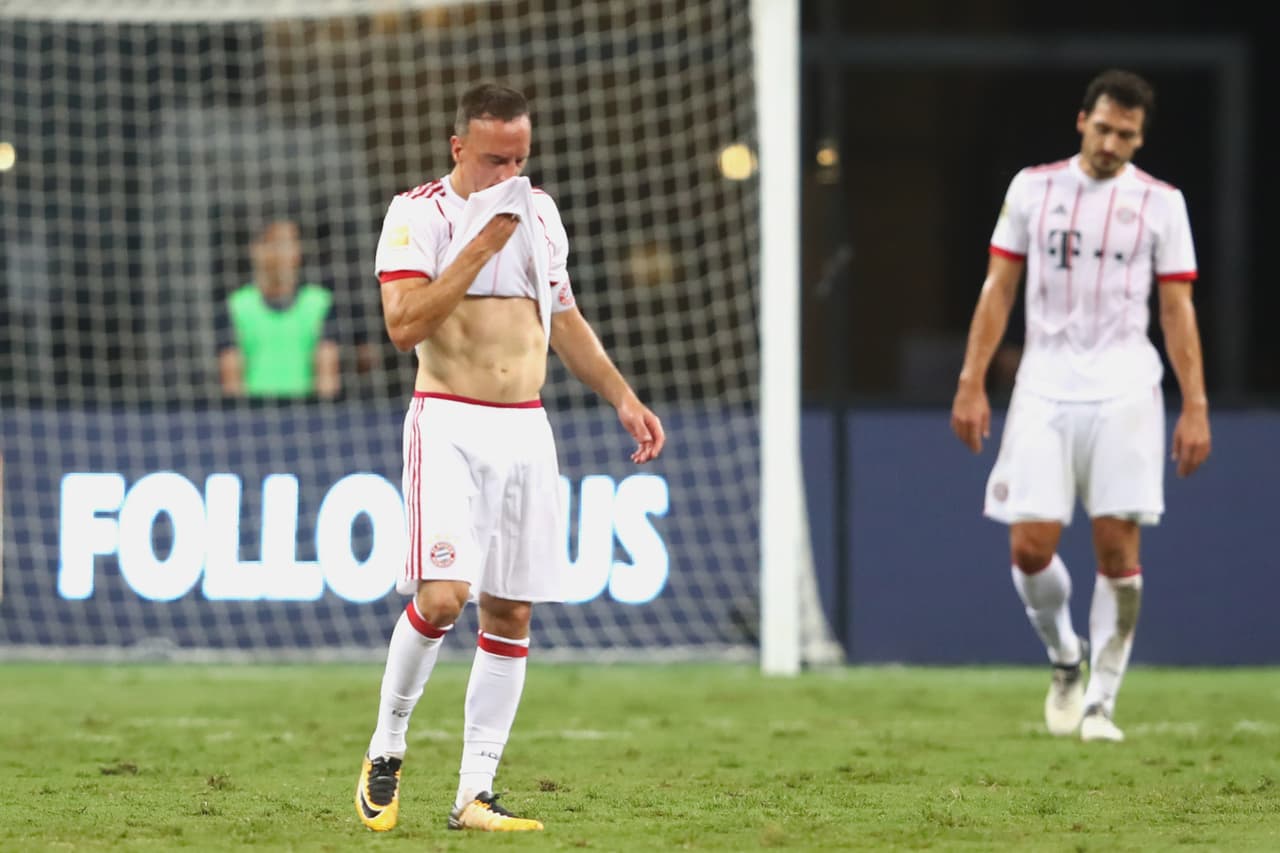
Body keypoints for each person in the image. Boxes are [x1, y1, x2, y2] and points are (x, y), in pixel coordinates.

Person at [356, 82, 665, 833]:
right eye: (494, 159)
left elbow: (561, 318)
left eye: (519, 158)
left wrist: (623, 395)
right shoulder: (418, 214)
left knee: (512, 609)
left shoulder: (542, 213)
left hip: (526, 426)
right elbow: (403, 324)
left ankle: (474, 794)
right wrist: (477, 246)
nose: (509, 173)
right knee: (442, 598)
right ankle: (386, 748)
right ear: (459, 148)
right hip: (448, 422)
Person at [950, 69, 1211, 743]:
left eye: (1127, 134)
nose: (1112, 143)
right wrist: (972, 380)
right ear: (1081, 122)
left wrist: (1196, 405)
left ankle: (1101, 700)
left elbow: (1177, 310)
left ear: (1140, 136)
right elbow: (997, 289)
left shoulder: (1162, 204)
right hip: (1043, 385)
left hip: (1126, 389)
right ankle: (1066, 655)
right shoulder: (1032, 189)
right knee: (1030, 545)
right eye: (1103, 128)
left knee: (1116, 548)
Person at [218, 219, 340, 400]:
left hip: (309, 417)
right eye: (276, 243)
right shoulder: (237, 306)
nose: (284, 253)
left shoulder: (320, 303)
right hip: (252, 416)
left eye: (290, 243)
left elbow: (327, 379)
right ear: (257, 250)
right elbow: (231, 383)